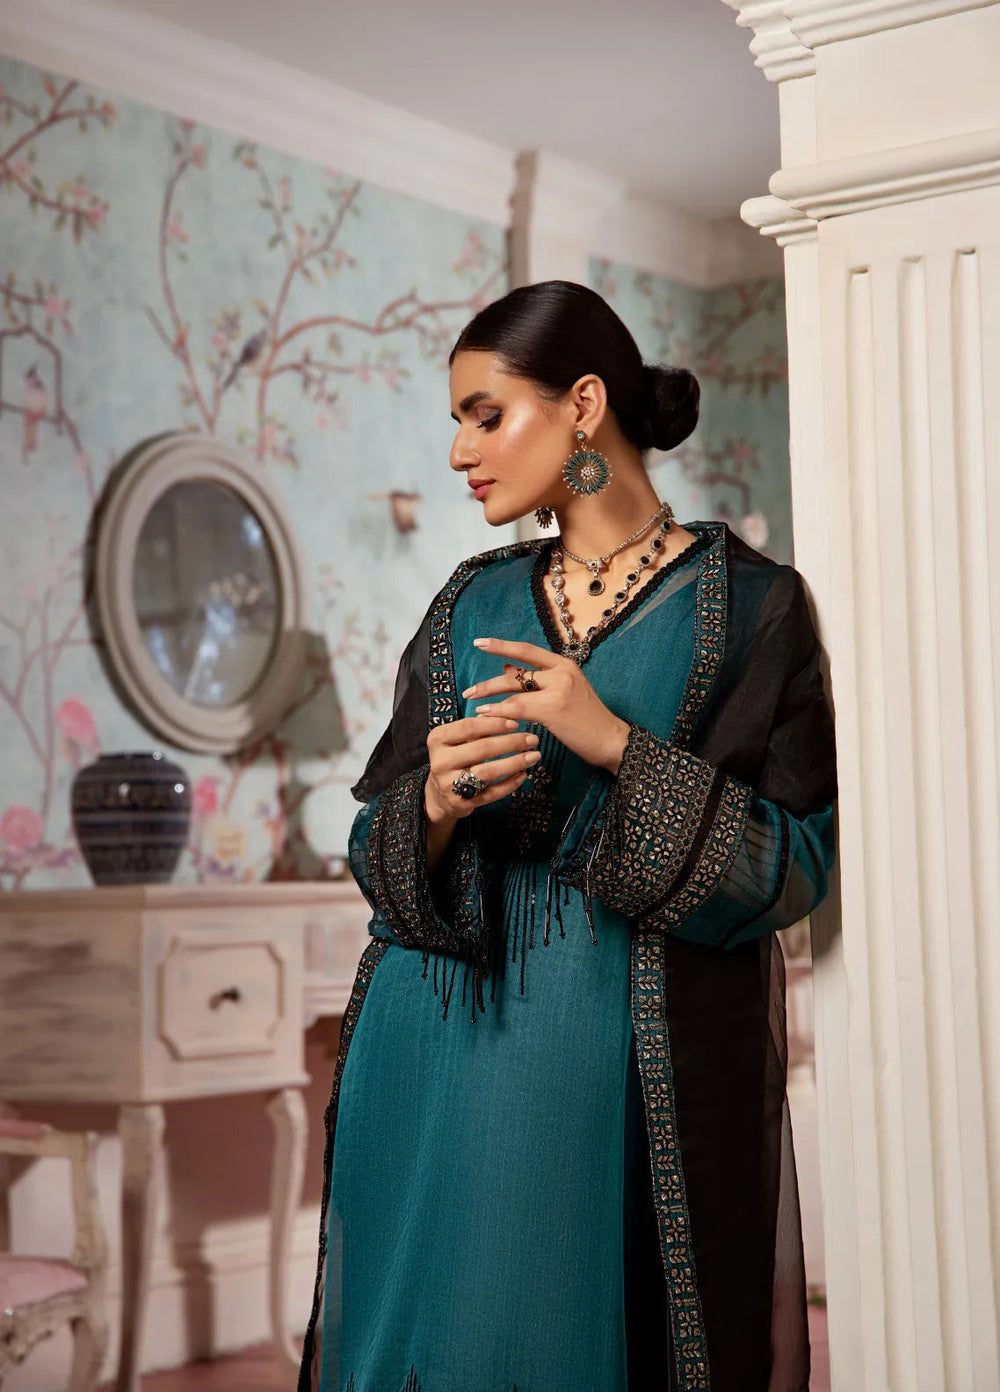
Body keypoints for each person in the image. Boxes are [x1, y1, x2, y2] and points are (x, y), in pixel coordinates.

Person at [299, 280, 837, 1392]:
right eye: (458, 420)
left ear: (583, 405)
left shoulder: (752, 607)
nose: (459, 451)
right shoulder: (467, 605)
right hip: (436, 1058)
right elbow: (371, 853)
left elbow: (793, 866)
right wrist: (435, 805)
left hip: (628, 1086)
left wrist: (613, 744)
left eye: (485, 415)